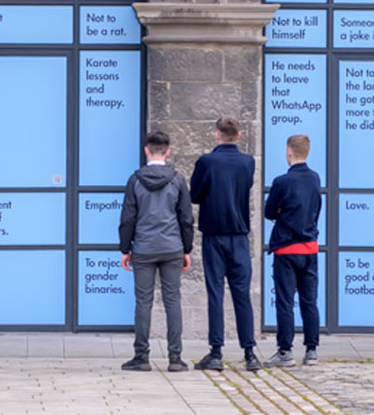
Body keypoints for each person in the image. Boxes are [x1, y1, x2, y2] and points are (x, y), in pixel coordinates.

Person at [118, 130, 194, 373]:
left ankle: (141, 357)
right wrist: (187, 248)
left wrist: (125, 248)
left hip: (143, 248)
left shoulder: (135, 180)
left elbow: (128, 217)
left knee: (143, 302)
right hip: (172, 247)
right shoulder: (177, 180)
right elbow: (186, 218)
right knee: (173, 301)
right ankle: (175, 358)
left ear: (146, 150)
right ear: (168, 151)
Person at [190, 115, 260, 372]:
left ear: (217, 134)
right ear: (239, 135)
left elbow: (194, 195)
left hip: (214, 234)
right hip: (239, 235)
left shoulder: (207, 161)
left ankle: (216, 351)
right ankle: (250, 352)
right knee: (242, 295)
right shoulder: (247, 162)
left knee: (216, 293)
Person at [263, 134, 321, 368]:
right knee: (309, 301)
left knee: (285, 301)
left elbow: (269, 213)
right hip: (310, 248)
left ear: (289, 152)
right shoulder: (315, 179)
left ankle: (285, 351)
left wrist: (281, 212)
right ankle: (312, 350)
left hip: (286, 249)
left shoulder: (282, 182)